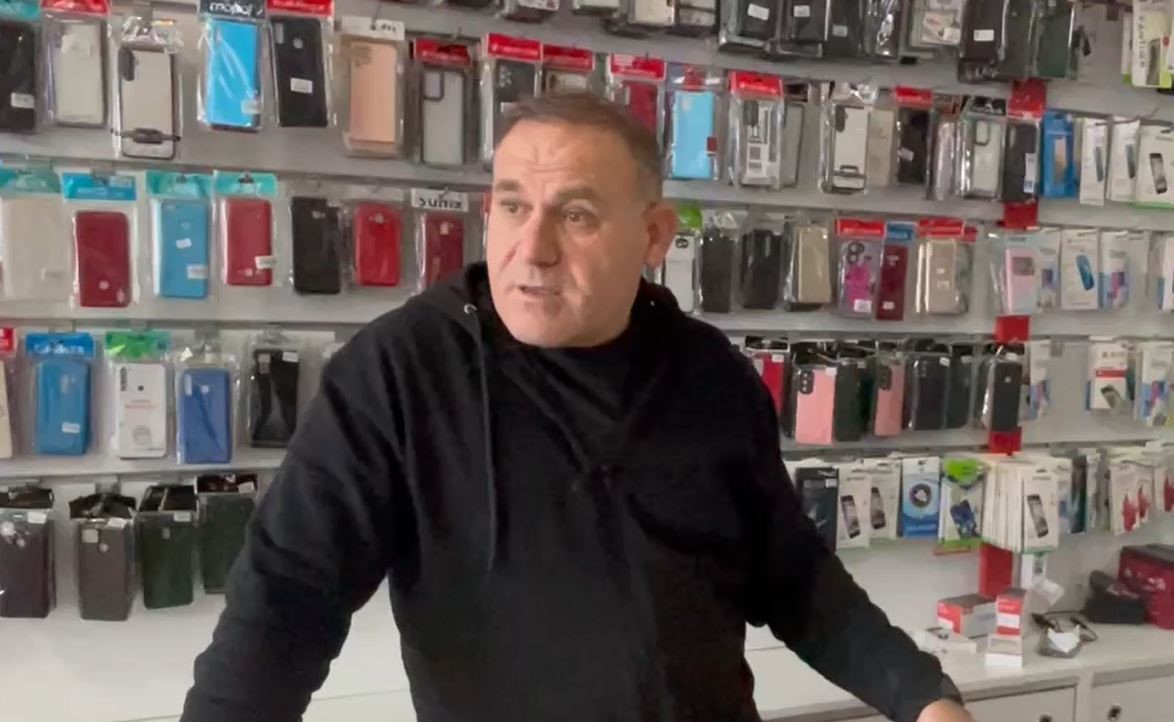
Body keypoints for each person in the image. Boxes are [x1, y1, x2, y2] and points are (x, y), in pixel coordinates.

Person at [181, 92, 974, 722]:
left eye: (577, 214)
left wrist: (921, 695)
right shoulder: (400, 374)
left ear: (654, 235)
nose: (533, 249)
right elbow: (286, 600)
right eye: (512, 206)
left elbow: (792, 577)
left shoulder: (712, 377)